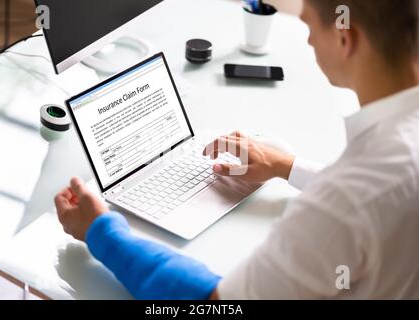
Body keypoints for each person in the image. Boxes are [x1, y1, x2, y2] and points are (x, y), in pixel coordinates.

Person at [54, 0, 419, 299]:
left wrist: (101, 230)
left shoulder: (344, 202)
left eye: (309, 26)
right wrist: (285, 166)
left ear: (345, 38)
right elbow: (381, 193)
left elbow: (218, 304)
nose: (307, 42)